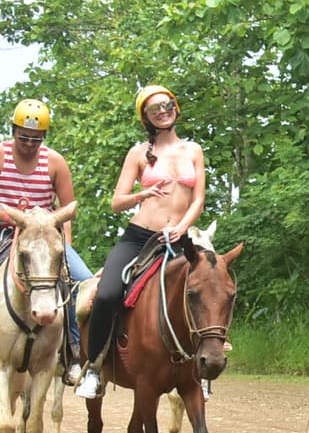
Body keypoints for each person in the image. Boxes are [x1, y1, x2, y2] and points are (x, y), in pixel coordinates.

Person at [75, 85, 206, 398]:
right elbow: (116, 202)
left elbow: (198, 198)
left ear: (175, 106)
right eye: (154, 108)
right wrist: (141, 194)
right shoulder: (138, 153)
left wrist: (183, 226)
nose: (162, 110)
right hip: (139, 237)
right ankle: (94, 367)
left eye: (166, 104)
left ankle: (202, 369)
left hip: (178, 237)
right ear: (146, 117)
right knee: (106, 295)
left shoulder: (193, 150)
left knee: (210, 287)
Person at [1, 99, 93, 368]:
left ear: (44, 136)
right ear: (14, 131)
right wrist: (18, 218)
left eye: (36, 139)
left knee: (83, 283)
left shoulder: (55, 162)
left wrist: (65, 247)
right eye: (24, 137)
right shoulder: (1, 155)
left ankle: (73, 351)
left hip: (46, 239)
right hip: (6, 232)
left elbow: (67, 210)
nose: (29, 144)